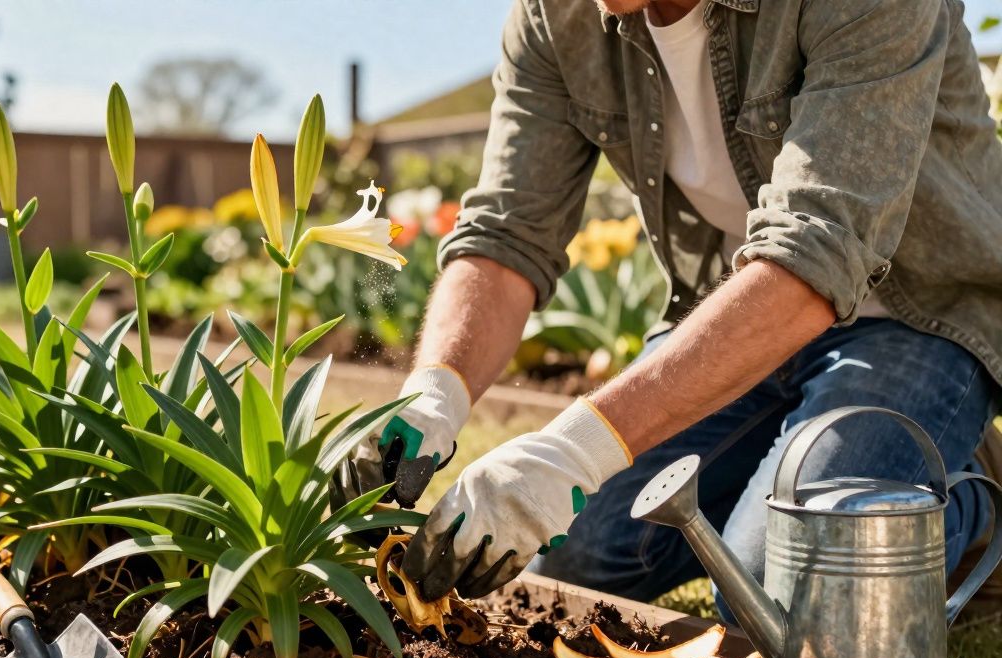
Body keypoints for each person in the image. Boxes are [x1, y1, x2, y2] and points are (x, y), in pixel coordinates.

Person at [344, 0, 1002, 612]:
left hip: (921, 323)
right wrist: (433, 394)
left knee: (774, 598)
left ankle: (964, 500)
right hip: (734, 323)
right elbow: (508, 231)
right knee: (563, 560)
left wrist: (572, 452)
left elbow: (814, 252)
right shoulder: (556, 16)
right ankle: (806, 473)